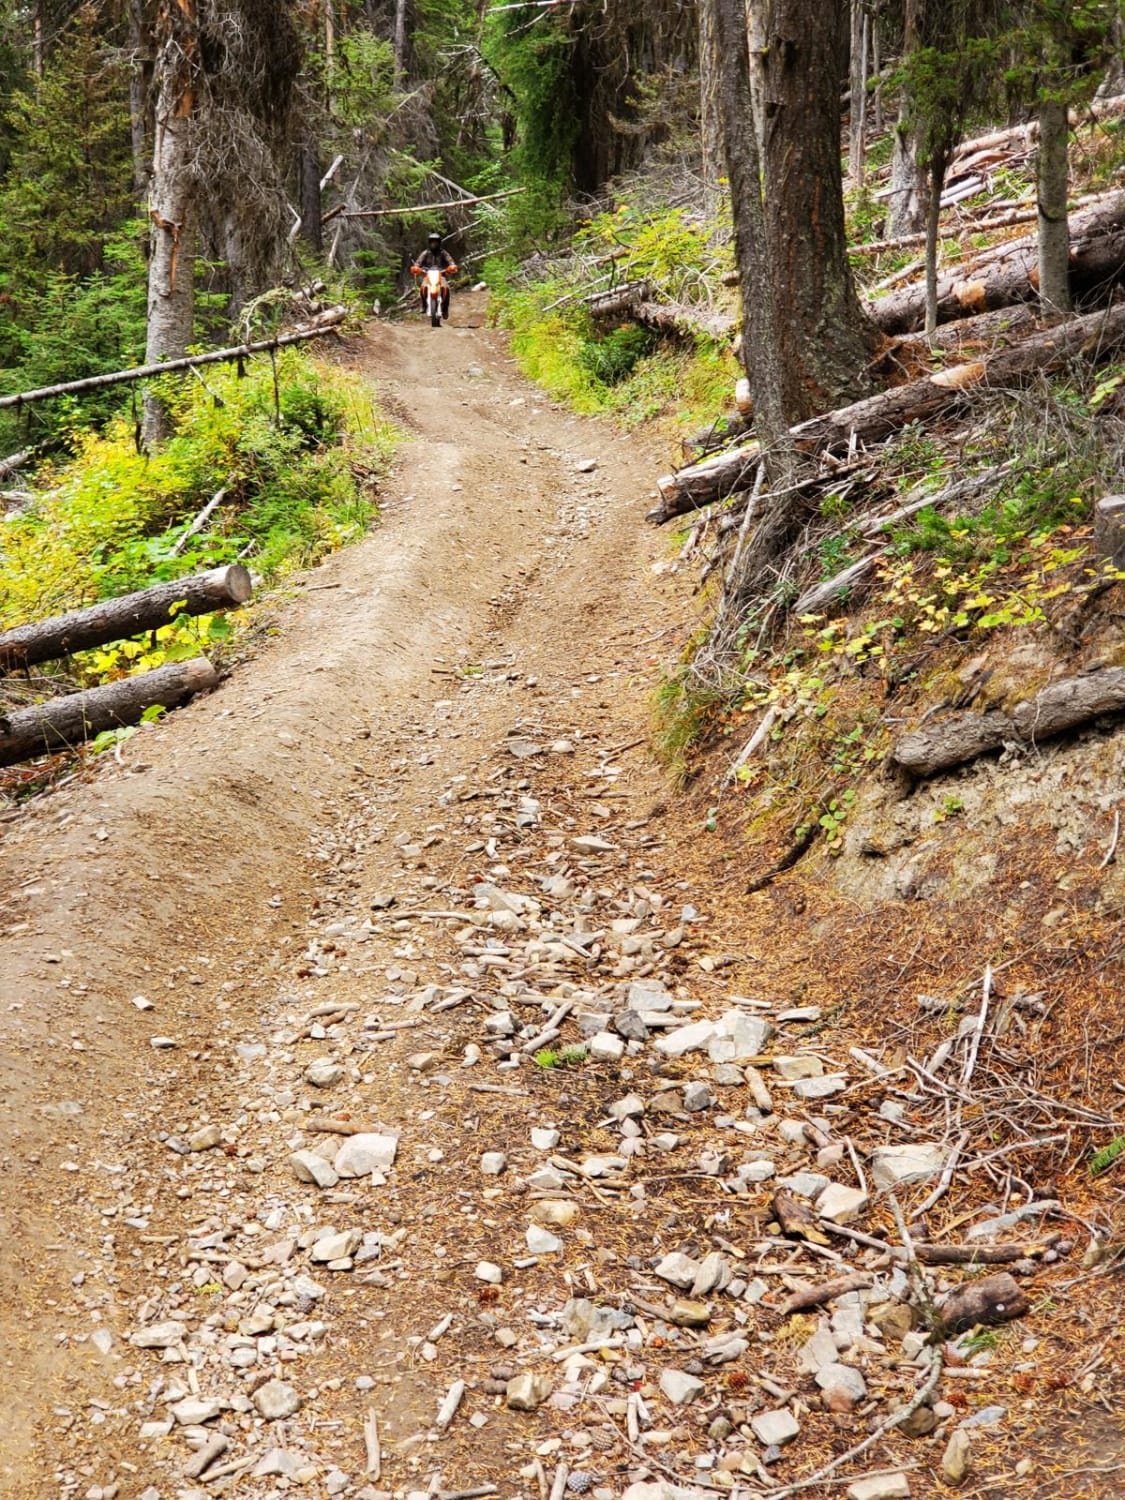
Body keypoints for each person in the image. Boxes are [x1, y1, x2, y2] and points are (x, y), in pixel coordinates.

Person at [412, 232, 457, 313]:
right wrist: (416, 267)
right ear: (429, 242)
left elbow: (450, 260)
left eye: (436, 241)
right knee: (423, 288)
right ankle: (424, 306)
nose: (434, 243)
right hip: (428, 274)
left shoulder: (443, 253)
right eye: (432, 241)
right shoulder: (425, 252)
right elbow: (418, 262)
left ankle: (445, 307)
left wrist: (452, 265)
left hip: (441, 274)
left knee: (445, 287)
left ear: (439, 242)